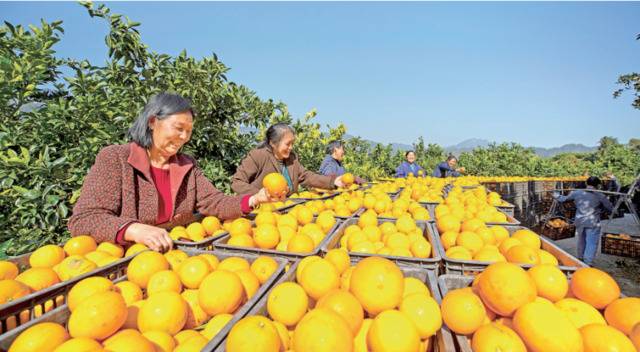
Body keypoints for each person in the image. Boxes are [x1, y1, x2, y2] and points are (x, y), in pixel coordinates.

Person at [68, 93, 272, 252]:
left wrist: (254, 199)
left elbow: (214, 201)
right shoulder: (116, 159)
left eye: (189, 131)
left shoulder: (187, 166)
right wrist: (133, 229)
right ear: (152, 122)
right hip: (129, 263)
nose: (184, 137)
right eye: (178, 128)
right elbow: (85, 219)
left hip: (178, 260)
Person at [232, 123, 345, 196]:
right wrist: (259, 194)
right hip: (262, 213)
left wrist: (332, 182)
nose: (291, 147)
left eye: (292, 143)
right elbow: (237, 182)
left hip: (288, 212)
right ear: (273, 143)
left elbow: (306, 176)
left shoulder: (292, 159)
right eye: (287, 144)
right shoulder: (258, 156)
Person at [553, 176, 613, 265]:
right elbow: (610, 208)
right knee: (591, 242)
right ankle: (587, 262)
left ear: (586, 183)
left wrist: (556, 195)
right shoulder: (600, 195)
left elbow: (563, 199)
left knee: (582, 240)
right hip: (592, 222)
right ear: (598, 185)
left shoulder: (577, 193)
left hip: (580, 221)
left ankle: (580, 258)